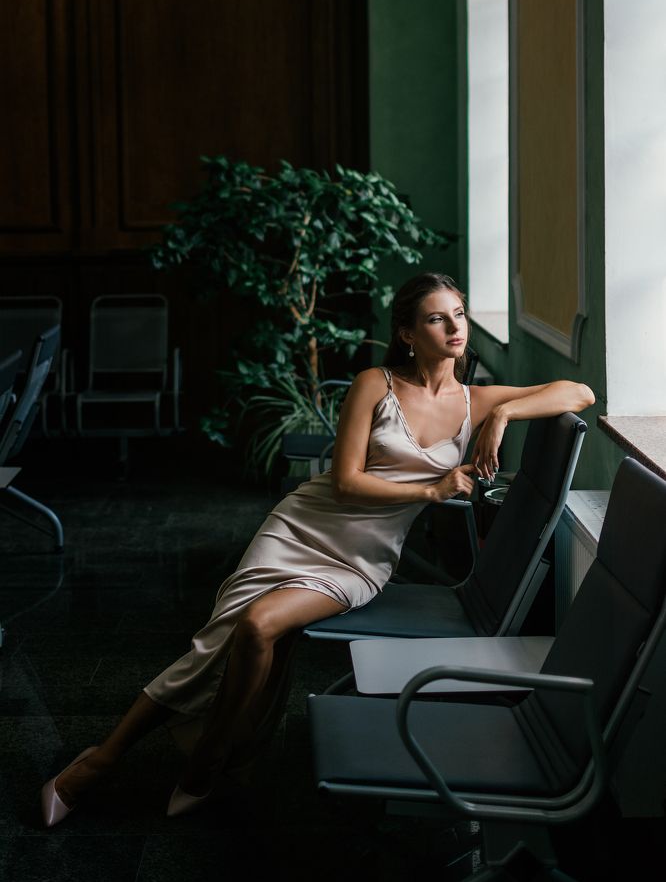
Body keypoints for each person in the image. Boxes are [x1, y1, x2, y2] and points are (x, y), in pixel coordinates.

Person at [41, 272, 594, 826]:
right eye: (436, 317)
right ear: (407, 334)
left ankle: (210, 751)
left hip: (361, 560)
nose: (455, 327)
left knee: (258, 626)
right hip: (301, 529)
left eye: (459, 313)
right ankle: (106, 759)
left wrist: (503, 415)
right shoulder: (374, 384)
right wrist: (430, 490)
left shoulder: (478, 401)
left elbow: (580, 393)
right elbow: (346, 484)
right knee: (215, 643)